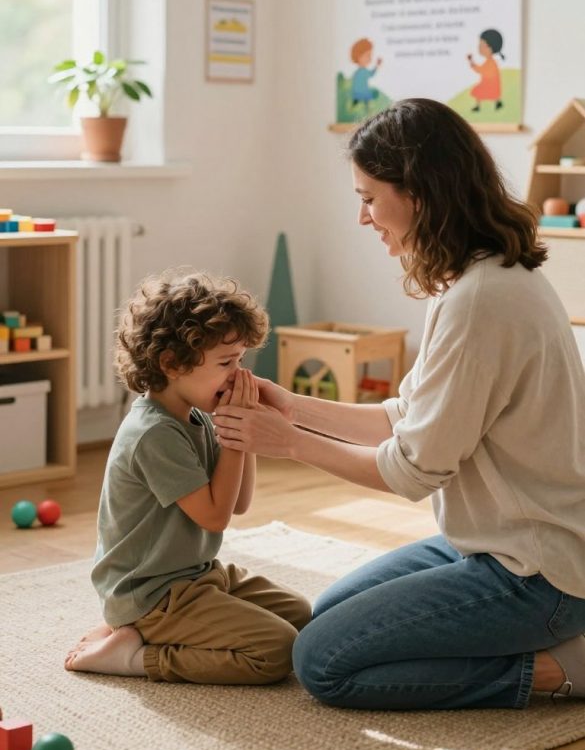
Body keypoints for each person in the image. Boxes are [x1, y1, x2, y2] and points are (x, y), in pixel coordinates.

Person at [213, 98, 585, 711]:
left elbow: (413, 470)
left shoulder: (481, 301)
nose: (362, 217)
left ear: (416, 193)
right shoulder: (473, 280)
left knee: (321, 663)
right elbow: (404, 418)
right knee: (328, 614)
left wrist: (288, 444)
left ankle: (557, 668)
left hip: (537, 574)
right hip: (490, 542)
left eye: (368, 196)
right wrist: (291, 406)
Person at [65, 270, 311, 684]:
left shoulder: (195, 417)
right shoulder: (153, 433)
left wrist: (242, 429)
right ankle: (135, 655)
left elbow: (239, 503)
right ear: (172, 363)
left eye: (241, 362)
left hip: (195, 575)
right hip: (151, 593)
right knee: (276, 649)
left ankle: (130, 632)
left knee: (301, 615)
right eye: (226, 363)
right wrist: (233, 439)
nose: (239, 375)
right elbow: (214, 517)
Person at [467, 28, 504, 112]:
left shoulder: (491, 63)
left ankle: (497, 102)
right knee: (479, 93)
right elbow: (481, 70)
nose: (479, 47)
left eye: (481, 45)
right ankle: (482, 105)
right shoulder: (488, 62)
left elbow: (483, 71)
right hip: (486, 84)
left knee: (481, 92)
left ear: (489, 47)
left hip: (490, 85)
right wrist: (472, 62)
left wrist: (472, 62)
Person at [350, 37, 382, 108]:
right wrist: (377, 66)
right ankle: (363, 106)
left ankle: (363, 105)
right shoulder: (361, 72)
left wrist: (377, 66)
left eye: (370, 55)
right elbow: (371, 74)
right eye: (368, 55)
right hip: (362, 92)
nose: (370, 58)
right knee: (368, 96)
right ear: (358, 56)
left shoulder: (358, 72)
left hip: (359, 93)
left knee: (364, 98)